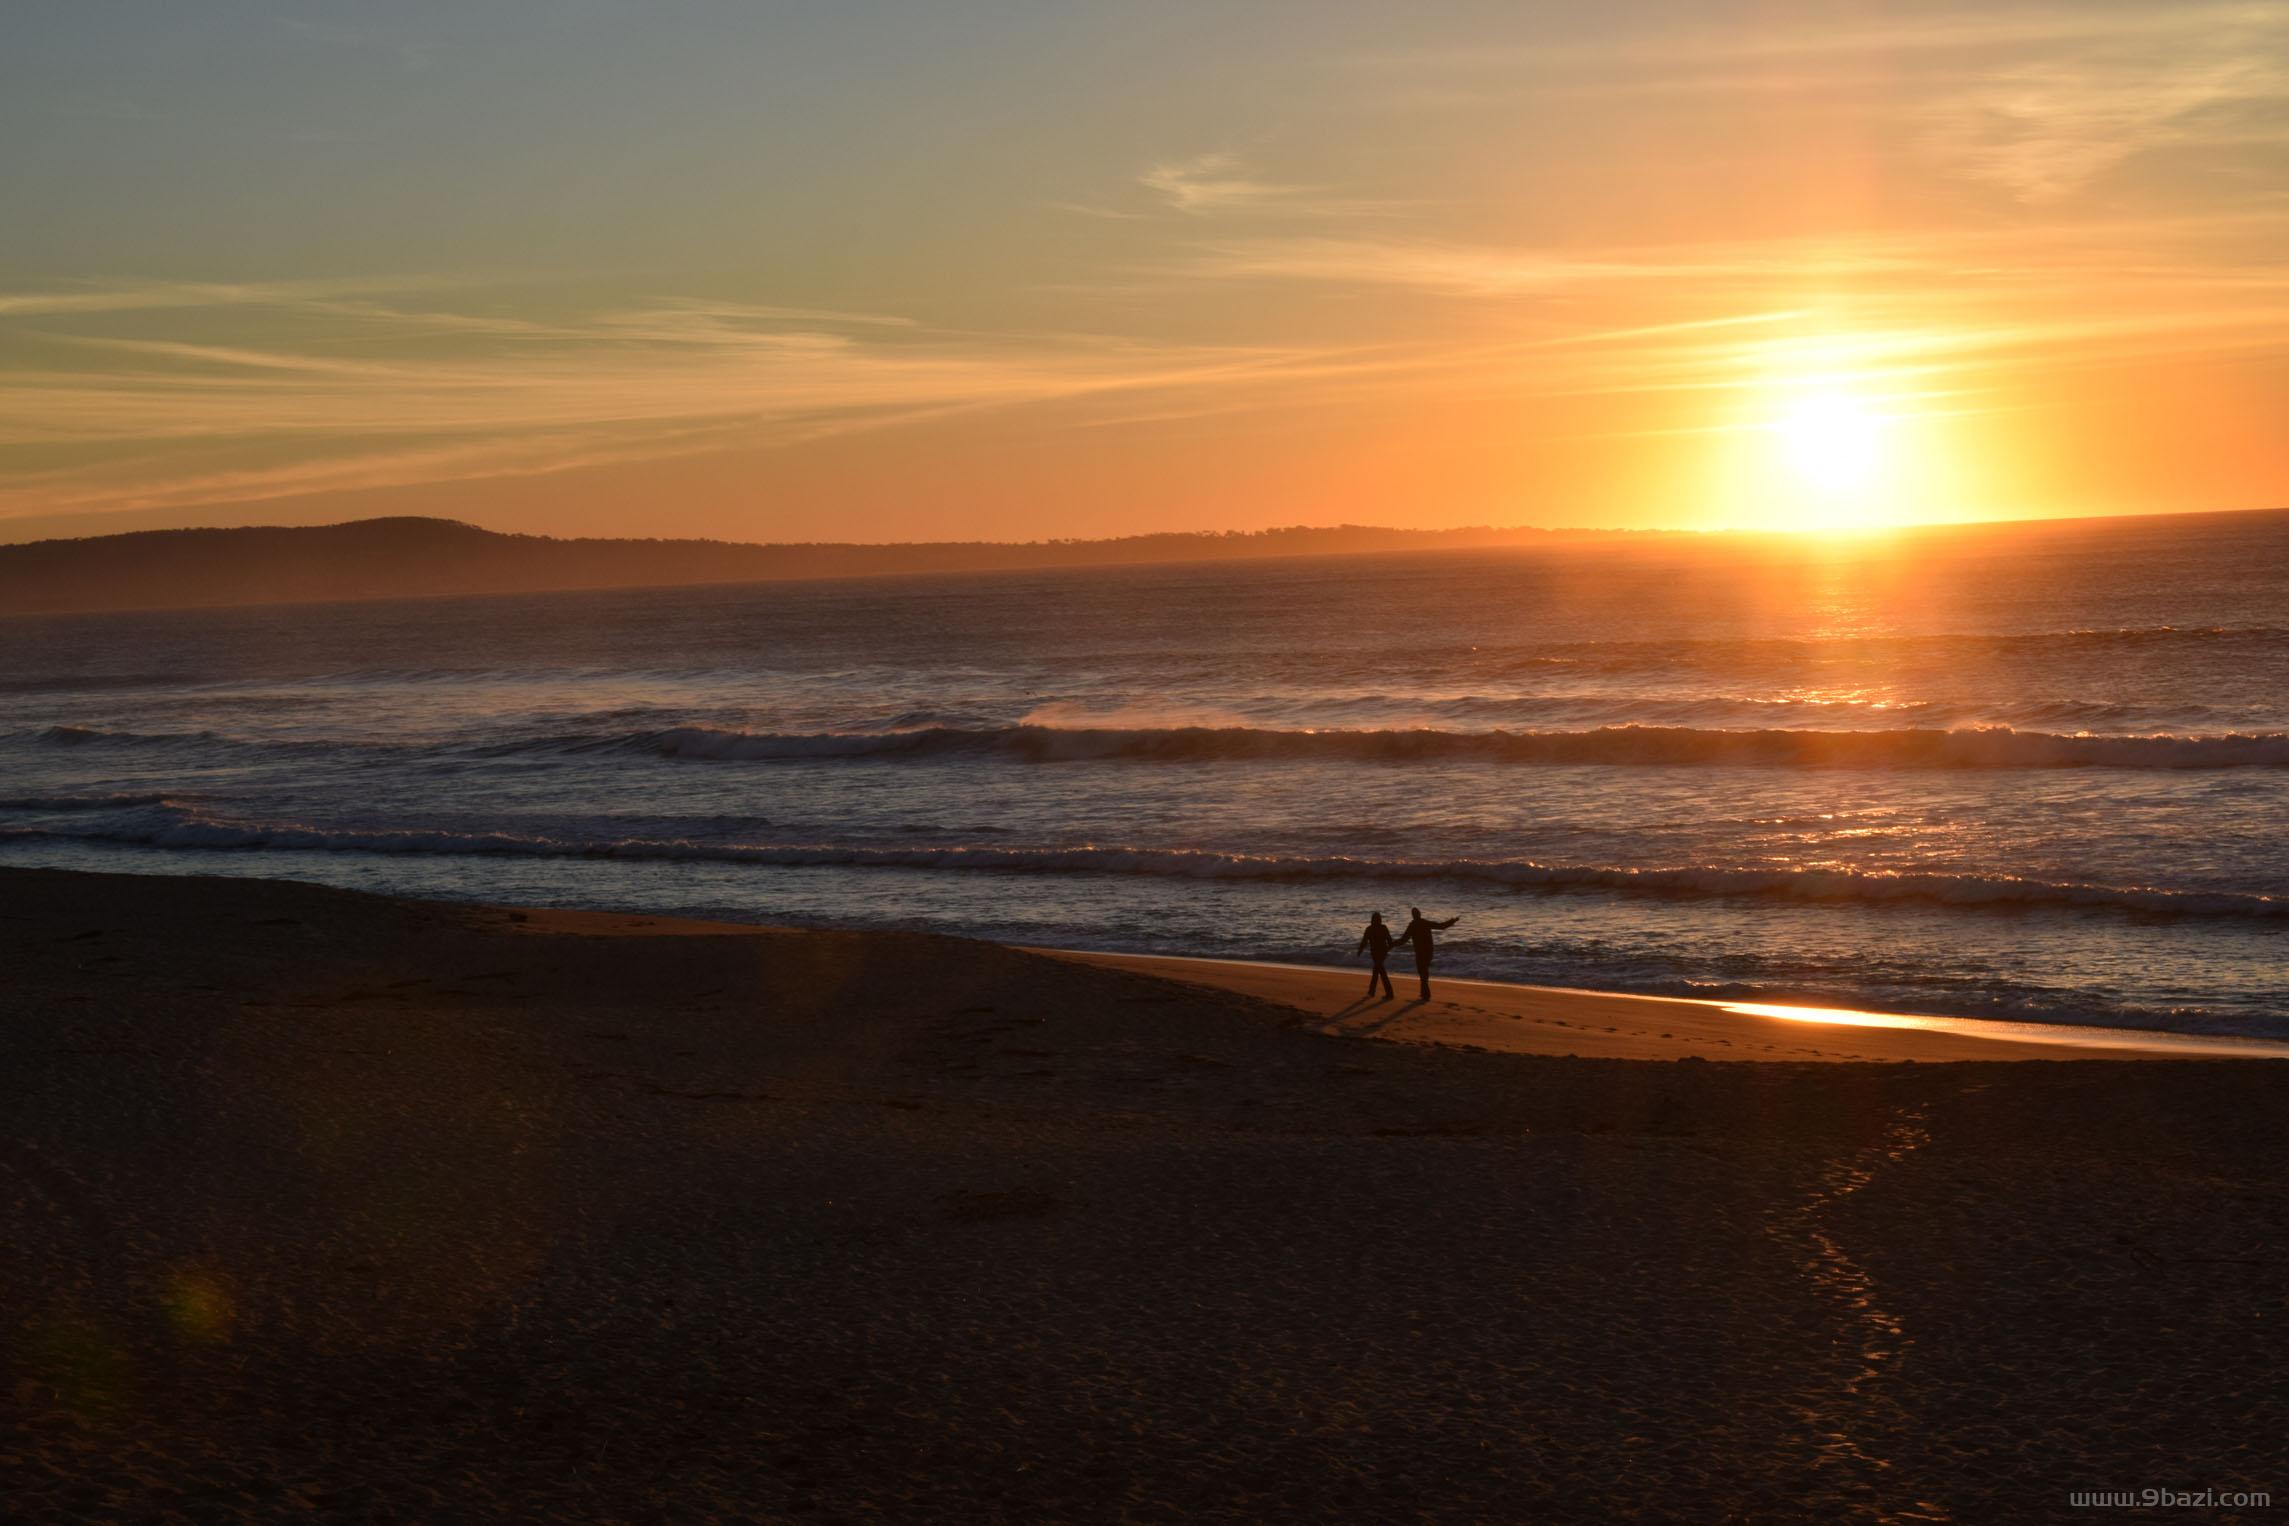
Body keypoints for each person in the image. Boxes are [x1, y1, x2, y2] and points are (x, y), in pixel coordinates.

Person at [1396, 906, 1459, 1001]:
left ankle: (1426, 994)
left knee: (1422, 971)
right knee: (1423, 971)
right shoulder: (1424, 923)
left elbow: (1403, 940)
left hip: (1420, 951)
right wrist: (1452, 921)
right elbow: (1441, 926)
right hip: (1429, 950)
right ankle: (1424, 993)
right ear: (1419, 914)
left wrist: (1391, 944)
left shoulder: (1412, 925)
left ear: (1413, 916)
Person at [1355, 911, 1396, 999]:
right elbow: (1390, 943)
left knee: (1380, 971)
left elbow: (1364, 942)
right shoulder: (1383, 928)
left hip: (1375, 953)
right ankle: (1372, 991)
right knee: (1377, 971)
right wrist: (1386, 950)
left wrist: (1360, 951)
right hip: (1382, 953)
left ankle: (1388, 993)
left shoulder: (1369, 929)